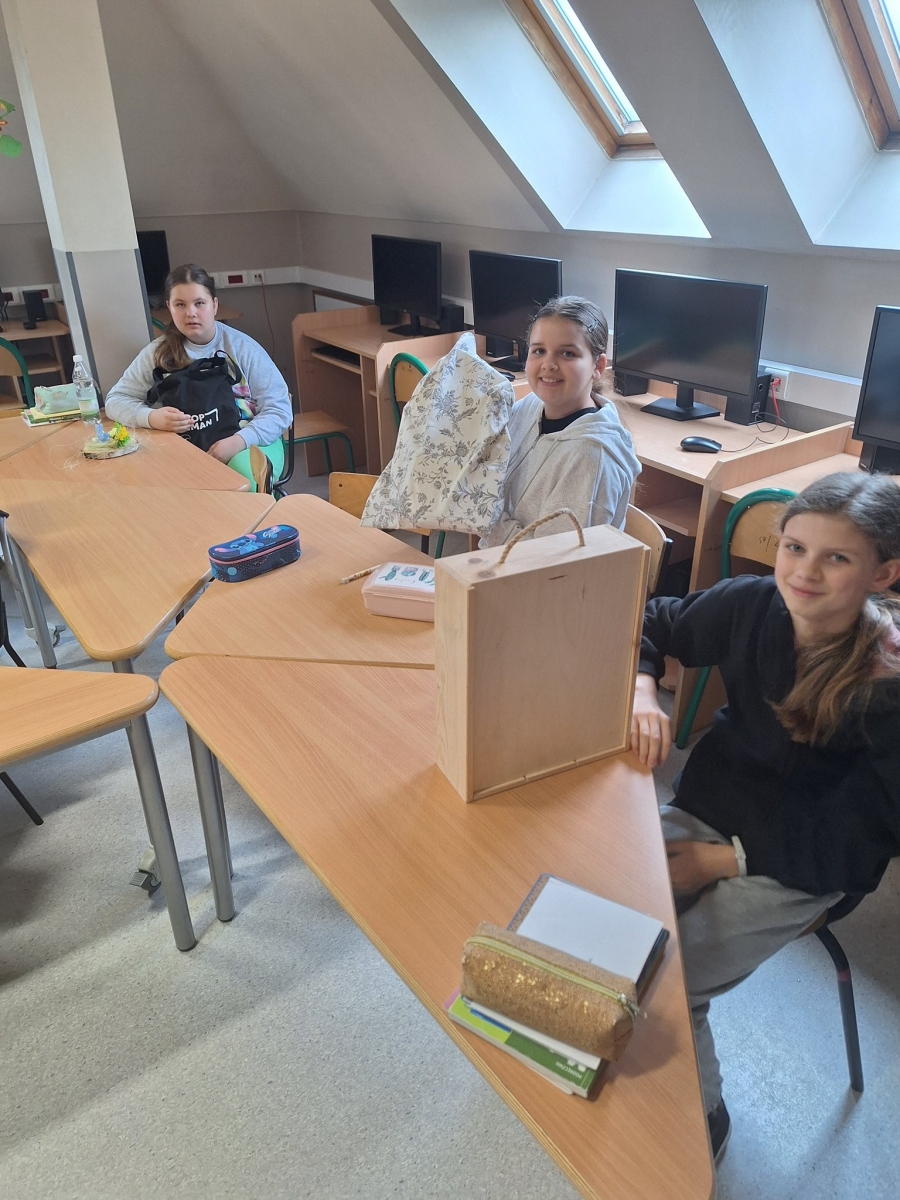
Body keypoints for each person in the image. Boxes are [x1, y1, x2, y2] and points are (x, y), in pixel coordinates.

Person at [630, 472, 900, 1164]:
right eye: (794, 547)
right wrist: (642, 691)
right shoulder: (753, 603)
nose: (804, 572)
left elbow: (861, 842)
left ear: (883, 573)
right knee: (616, 918)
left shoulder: (887, 685)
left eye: (836, 558)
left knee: (672, 979)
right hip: (714, 807)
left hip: (804, 862)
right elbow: (653, 620)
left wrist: (725, 862)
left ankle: (705, 1121)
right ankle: (619, 1059)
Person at [105, 264, 292, 490]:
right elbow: (115, 400)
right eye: (180, 305)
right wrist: (151, 417)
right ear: (169, 308)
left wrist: (238, 441)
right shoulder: (157, 353)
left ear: (214, 305)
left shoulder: (243, 348)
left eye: (199, 303)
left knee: (240, 481)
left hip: (249, 443)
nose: (191, 313)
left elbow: (280, 409)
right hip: (186, 448)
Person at [481, 295, 640, 546]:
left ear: (598, 366)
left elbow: (552, 560)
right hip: (497, 561)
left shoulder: (590, 457)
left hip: (531, 569)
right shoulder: (531, 406)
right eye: (539, 351)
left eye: (567, 353)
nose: (549, 364)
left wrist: (483, 514)